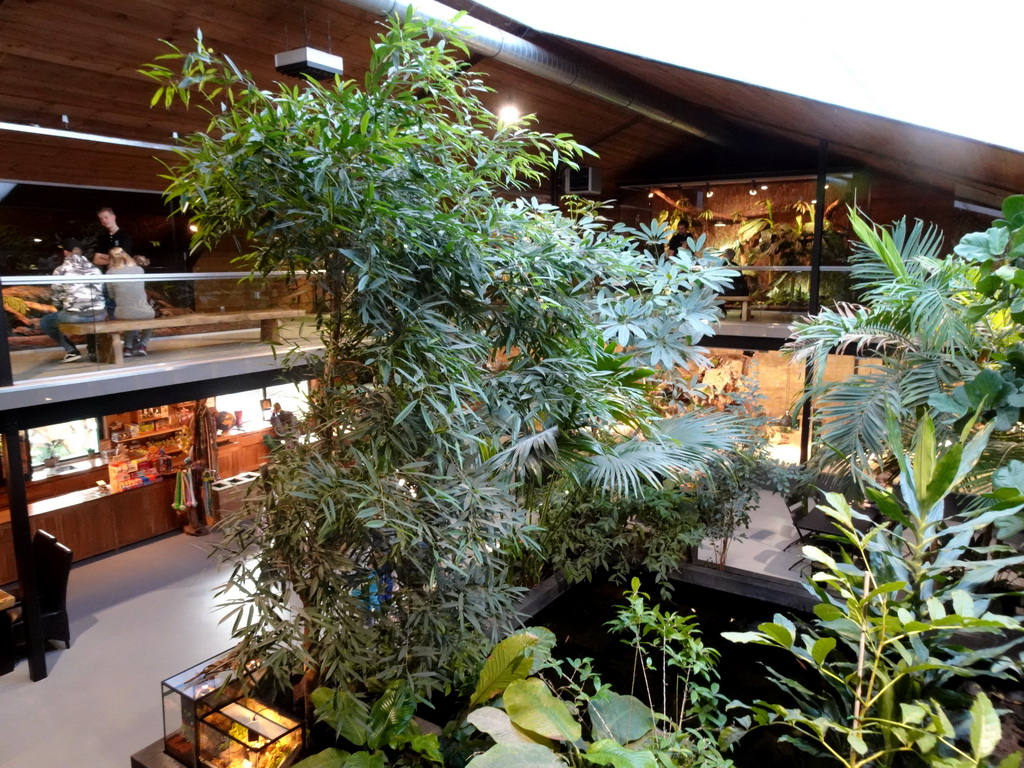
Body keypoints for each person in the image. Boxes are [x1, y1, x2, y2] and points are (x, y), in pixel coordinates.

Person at [38, 238, 106, 362]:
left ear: (65, 252)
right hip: (99, 314)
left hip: (75, 315)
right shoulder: (95, 269)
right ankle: (92, 351)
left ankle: (71, 351)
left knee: (46, 322)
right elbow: (100, 291)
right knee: (90, 312)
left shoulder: (61, 270)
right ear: (81, 252)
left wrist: (61, 307)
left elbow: (56, 296)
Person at [106, 246, 155, 357]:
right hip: (144, 310)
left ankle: (127, 348)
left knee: (127, 314)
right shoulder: (139, 270)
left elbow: (111, 295)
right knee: (148, 318)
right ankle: (142, 345)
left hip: (122, 312)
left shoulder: (110, 272)